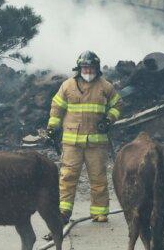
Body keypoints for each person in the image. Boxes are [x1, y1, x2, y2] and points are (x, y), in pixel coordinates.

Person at [47, 50, 122, 223]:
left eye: (91, 68)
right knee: (68, 177)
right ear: (79, 68)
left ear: (97, 68)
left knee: (98, 178)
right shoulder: (67, 86)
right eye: (85, 68)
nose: (88, 72)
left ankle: (100, 212)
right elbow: (56, 108)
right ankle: (63, 213)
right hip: (72, 142)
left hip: (96, 142)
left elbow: (117, 104)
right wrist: (52, 127)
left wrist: (109, 119)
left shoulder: (106, 87)